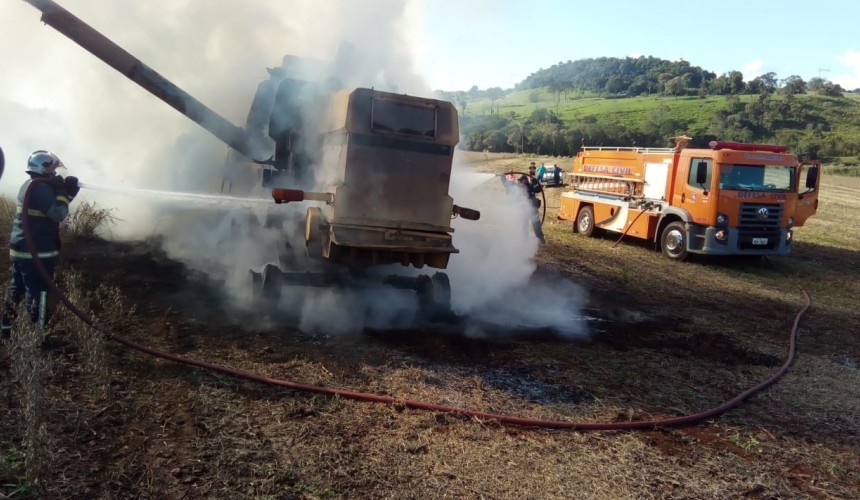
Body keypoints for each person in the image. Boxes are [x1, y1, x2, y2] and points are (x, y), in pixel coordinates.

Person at [1, 150, 79, 337]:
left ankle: (6, 330)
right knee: (39, 293)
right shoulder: (40, 188)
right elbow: (58, 213)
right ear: (45, 168)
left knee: (16, 289)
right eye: (52, 170)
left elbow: (52, 207)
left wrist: (66, 194)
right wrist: (63, 192)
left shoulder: (30, 185)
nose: (54, 174)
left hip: (21, 249)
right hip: (36, 251)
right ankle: (37, 337)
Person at [518, 174, 545, 244]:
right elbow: (508, 185)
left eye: (521, 181)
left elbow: (538, 189)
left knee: (536, 223)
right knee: (524, 224)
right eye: (520, 181)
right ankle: (524, 240)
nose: (520, 183)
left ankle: (540, 238)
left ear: (526, 181)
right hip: (523, 209)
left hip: (532, 208)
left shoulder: (531, 186)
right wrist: (502, 177)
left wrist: (534, 180)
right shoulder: (519, 187)